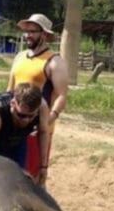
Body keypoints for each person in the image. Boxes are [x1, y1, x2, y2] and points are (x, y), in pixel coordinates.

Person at [8, 13, 69, 177]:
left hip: (37, 129)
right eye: (26, 31)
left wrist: (48, 120)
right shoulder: (19, 57)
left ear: (44, 34)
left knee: (33, 176)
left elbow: (62, 95)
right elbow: (10, 90)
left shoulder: (54, 62)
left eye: (33, 31)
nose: (28, 35)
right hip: (14, 125)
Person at [0, 83, 51, 187]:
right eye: (21, 115)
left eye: (31, 116)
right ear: (12, 103)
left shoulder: (42, 106)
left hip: (17, 140)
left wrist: (43, 167)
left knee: (20, 181)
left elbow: (43, 132)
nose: (26, 121)